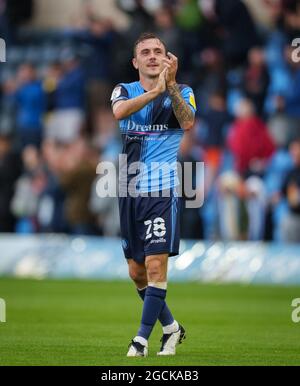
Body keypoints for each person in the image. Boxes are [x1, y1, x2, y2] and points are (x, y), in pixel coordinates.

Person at [111, 32, 196, 357]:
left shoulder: (183, 91)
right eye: (145, 52)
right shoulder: (124, 90)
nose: (151, 56)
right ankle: (172, 328)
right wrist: (155, 91)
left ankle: (141, 340)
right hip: (129, 191)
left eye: (158, 51)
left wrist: (168, 87)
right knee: (137, 271)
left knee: (156, 265)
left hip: (162, 190)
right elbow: (120, 113)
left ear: (167, 58)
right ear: (135, 62)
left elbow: (187, 122)